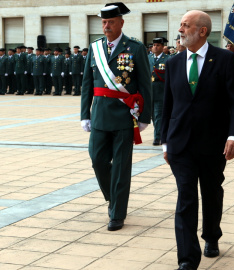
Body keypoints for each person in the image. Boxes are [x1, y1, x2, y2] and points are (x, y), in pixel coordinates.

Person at [161, 10, 234, 270]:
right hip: (180, 145)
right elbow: (167, 105)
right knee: (186, 198)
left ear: (202, 31)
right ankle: (187, 260)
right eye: (180, 25)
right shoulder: (174, 62)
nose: (180, 30)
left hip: (213, 144)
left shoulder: (225, 59)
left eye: (185, 26)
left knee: (211, 192)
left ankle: (211, 235)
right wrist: (165, 141)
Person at [81, 2, 152, 231]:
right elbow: (87, 85)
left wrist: (144, 116)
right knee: (97, 160)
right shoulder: (95, 48)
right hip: (100, 114)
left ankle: (117, 213)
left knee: (121, 167)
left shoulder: (135, 48)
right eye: (103, 22)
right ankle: (114, 196)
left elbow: (144, 85)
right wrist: (85, 114)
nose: (106, 26)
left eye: (111, 22)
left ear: (121, 23)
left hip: (124, 116)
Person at [148, 37, 170, 146]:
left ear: (162, 47)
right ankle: (159, 132)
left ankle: (158, 137)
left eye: (157, 45)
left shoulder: (168, 59)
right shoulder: (148, 58)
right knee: (152, 115)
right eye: (154, 45)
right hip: (150, 90)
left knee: (158, 115)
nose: (155, 47)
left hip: (161, 90)